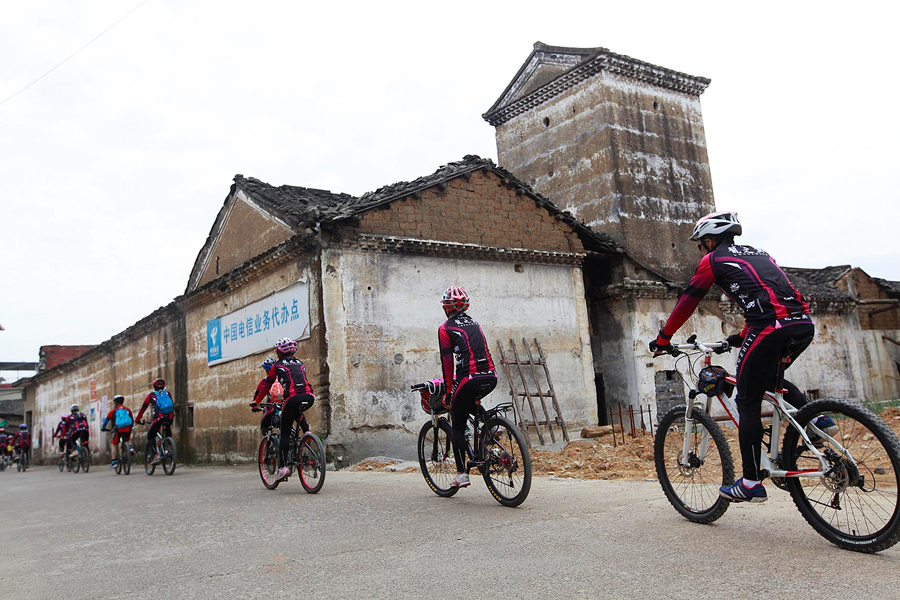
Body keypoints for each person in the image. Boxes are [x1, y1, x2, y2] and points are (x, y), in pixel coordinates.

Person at [649, 211, 832, 503]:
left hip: (769, 327)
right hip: (802, 323)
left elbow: (688, 300)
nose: (702, 249)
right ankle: (819, 420)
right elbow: (769, 294)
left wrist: (664, 338)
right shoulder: (761, 254)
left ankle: (750, 483)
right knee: (772, 380)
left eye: (701, 243)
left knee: (746, 399)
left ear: (709, 240)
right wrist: (740, 336)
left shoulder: (712, 260)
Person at [437, 286, 497, 489]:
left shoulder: (445, 328)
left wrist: (447, 391)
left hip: (467, 379)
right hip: (491, 375)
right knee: (469, 402)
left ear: (446, 307)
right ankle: (490, 426)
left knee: (458, 424)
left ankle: (462, 474)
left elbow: (447, 363)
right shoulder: (476, 323)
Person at [251, 338, 314, 483]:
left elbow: (267, 384)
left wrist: (257, 401)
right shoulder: (300, 363)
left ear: (279, 351)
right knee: (297, 411)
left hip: (291, 398)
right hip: (310, 397)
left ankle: (284, 467)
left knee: (284, 429)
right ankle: (307, 433)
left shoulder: (277, 365)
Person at [251, 357, 301, 436]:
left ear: (267, 370)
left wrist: (255, 407)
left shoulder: (265, 381)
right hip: (288, 405)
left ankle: (270, 442)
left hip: (273, 410)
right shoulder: (285, 378)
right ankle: (304, 433)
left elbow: (257, 394)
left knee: (264, 426)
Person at [135, 378, 175, 465]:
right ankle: (169, 448)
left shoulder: (152, 395)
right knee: (167, 427)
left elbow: (143, 407)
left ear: (154, 386)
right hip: (170, 417)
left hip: (158, 418)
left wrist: (138, 419)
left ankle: (156, 455)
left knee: (150, 435)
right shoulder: (168, 394)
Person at [102, 395, 135, 467]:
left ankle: (114, 461)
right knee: (128, 438)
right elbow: (132, 419)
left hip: (118, 429)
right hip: (127, 428)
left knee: (114, 444)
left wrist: (103, 428)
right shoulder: (127, 410)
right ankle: (130, 447)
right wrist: (131, 426)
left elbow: (106, 422)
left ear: (115, 402)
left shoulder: (113, 411)